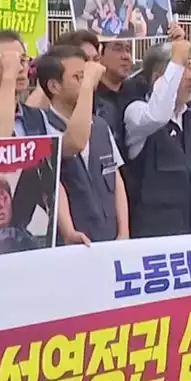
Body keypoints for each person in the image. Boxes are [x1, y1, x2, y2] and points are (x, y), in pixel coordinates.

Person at [36, 46, 129, 243]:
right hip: (72, 244)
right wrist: (69, 231)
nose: (87, 82)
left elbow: (116, 178)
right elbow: (55, 183)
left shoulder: (100, 126)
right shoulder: (42, 127)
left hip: (109, 237)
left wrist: (123, 231)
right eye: (78, 77)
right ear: (54, 86)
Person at [123, 36, 191, 238]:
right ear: (157, 79)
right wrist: (176, 60)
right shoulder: (137, 113)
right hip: (155, 240)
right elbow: (158, 115)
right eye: (183, 69)